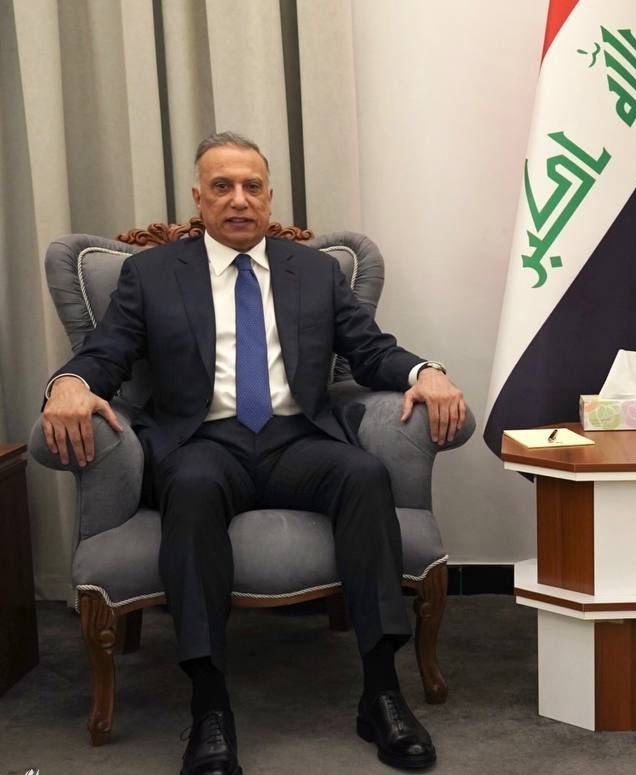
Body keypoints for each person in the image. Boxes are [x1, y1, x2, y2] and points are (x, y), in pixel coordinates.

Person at [40, 131, 466, 774]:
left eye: (252, 187)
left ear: (269, 197)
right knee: (190, 489)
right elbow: (109, 352)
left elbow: (370, 349)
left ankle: (382, 692)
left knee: (365, 475)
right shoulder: (152, 273)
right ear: (199, 198)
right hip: (202, 443)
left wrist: (424, 372)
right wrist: (69, 383)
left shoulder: (315, 272)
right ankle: (210, 707)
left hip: (298, 439)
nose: (238, 200)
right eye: (222, 187)